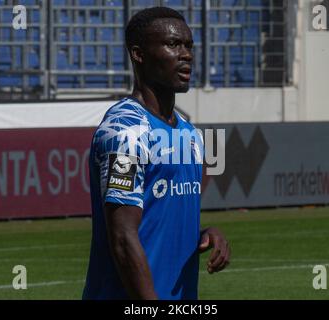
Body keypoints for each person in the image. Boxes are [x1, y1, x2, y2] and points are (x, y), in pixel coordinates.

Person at [82, 6, 230, 300]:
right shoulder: (125, 131)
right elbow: (123, 237)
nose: (186, 54)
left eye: (188, 45)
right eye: (173, 44)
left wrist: (203, 233)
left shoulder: (190, 134)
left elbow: (158, 219)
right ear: (139, 54)